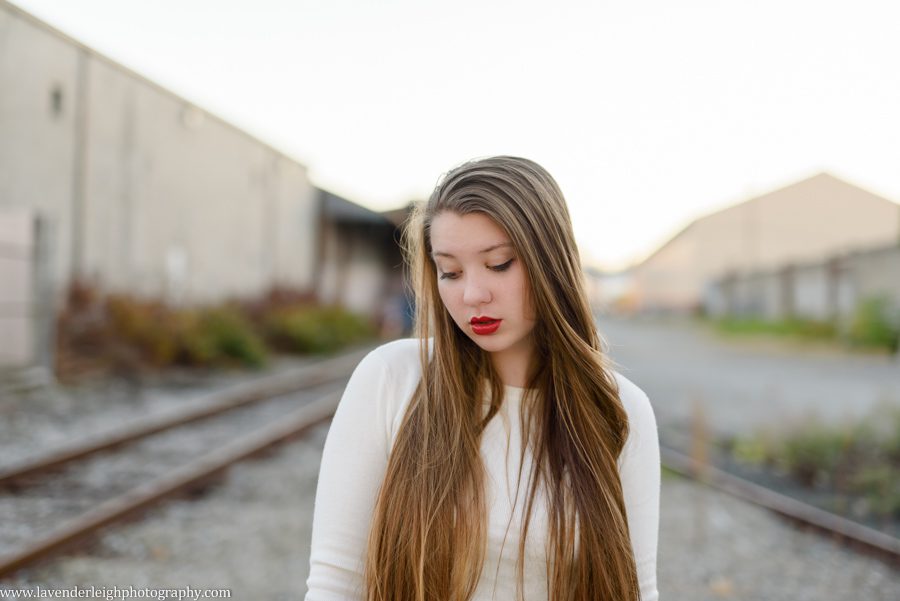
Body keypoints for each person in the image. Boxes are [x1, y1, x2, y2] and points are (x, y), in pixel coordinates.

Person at [305, 156, 660, 601]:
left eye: (498, 264)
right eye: (450, 272)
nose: (472, 294)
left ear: (551, 261)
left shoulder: (619, 408)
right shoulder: (391, 379)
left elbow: (637, 590)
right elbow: (335, 585)